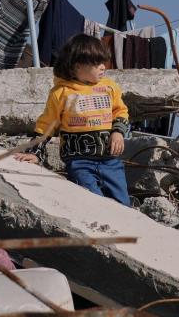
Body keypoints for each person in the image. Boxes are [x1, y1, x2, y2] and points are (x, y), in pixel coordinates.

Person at [14, 34, 132, 206]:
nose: (103, 67)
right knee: (91, 202)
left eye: (104, 62)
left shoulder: (109, 87)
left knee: (123, 204)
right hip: (79, 163)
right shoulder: (61, 93)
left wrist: (118, 133)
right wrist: (34, 153)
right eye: (97, 63)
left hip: (110, 160)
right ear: (78, 66)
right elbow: (47, 124)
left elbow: (120, 111)